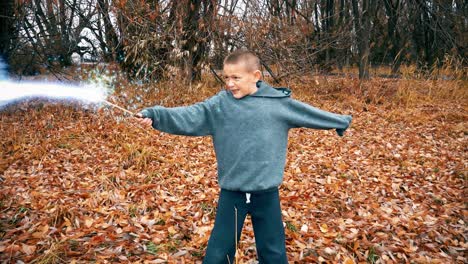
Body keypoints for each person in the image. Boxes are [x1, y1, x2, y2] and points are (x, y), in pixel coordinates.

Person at [135, 50, 352, 263]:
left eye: (236, 78)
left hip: (266, 194)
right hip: (233, 194)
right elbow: (190, 115)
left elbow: (308, 113)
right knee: (219, 252)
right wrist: (155, 115)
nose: (230, 83)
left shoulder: (278, 104)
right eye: (226, 77)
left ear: (256, 76)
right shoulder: (220, 105)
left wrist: (339, 121)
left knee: (273, 252)